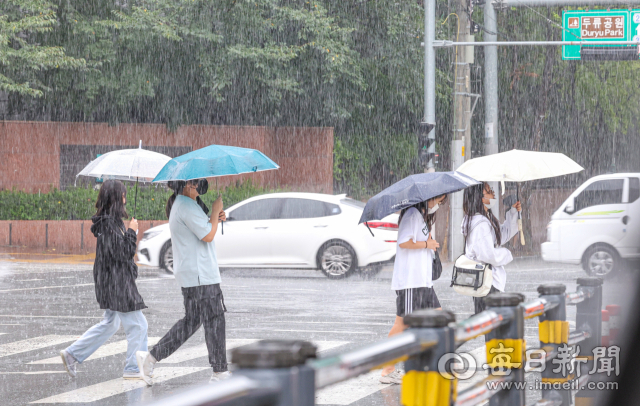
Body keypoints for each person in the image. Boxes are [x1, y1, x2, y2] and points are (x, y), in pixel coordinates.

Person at [136, 178, 228, 385]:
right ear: (188, 185)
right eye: (196, 183)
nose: (200, 187)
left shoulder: (182, 204)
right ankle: (220, 372)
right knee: (214, 320)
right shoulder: (186, 206)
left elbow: (204, 229)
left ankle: (150, 358)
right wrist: (215, 211)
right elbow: (208, 236)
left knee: (191, 321)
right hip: (201, 275)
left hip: (193, 274)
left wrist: (215, 217)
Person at [60, 180, 148, 380]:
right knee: (138, 325)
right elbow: (122, 253)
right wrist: (132, 232)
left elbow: (119, 254)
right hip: (116, 284)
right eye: (123, 195)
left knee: (110, 324)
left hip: (112, 282)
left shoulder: (112, 222)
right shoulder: (108, 224)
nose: (125, 199)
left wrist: (128, 232)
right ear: (117, 198)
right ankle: (134, 368)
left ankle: (73, 354)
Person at [379, 194, 447, 385]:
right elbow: (404, 242)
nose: (439, 205)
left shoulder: (422, 216)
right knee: (402, 324)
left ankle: (437, 361)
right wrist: (427, 244)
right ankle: (388, 370)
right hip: (411, 281)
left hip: (423, 281)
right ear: (429, 198)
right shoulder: (412, 213)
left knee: (439, 318)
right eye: (439, 201)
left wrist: (429, 241)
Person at [461, 182, 522, 314]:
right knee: (493, 327)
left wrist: (513, 212)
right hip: (486, 283)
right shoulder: (480, 224)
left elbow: (503, 235)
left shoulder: (485, 219)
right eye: (489, 191)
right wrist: (506, 254)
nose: (493, 193)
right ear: (480, 198)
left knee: (492, 326)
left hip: (486, 283)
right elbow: (488, 255)